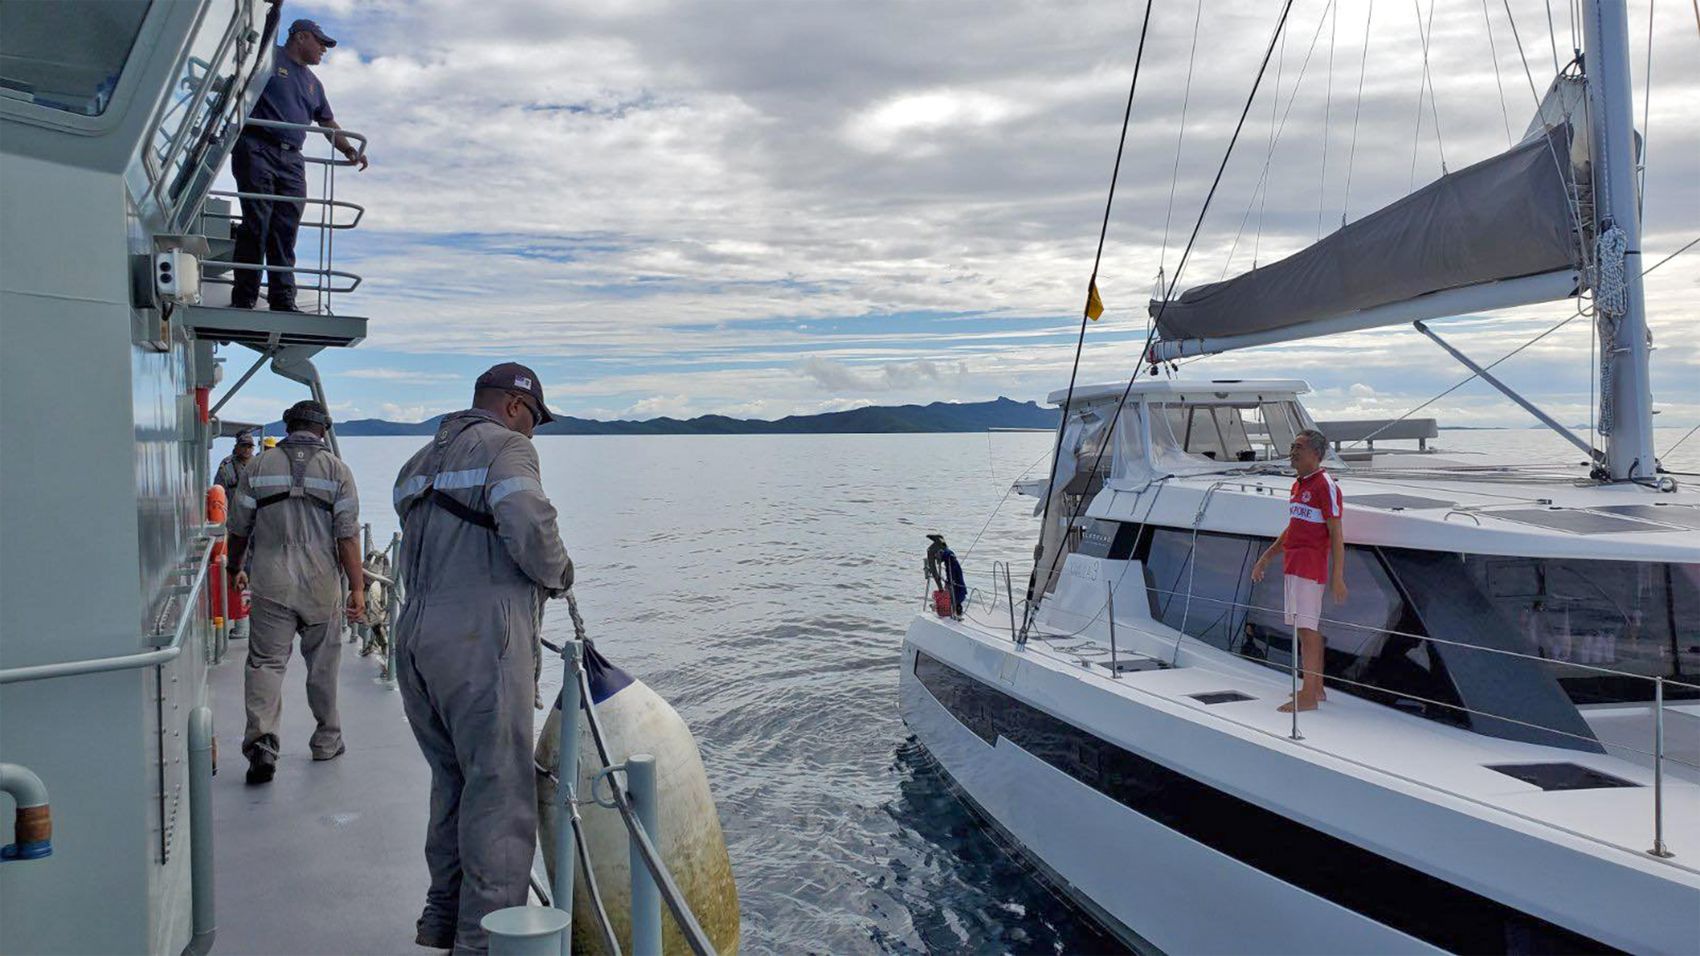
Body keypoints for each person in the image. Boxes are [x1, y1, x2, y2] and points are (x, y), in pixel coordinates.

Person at [392, 363, 573, 953]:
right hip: (477, 644)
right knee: (499, 793)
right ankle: (487, 944)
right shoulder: (508, 449)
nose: (534, 431)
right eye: (535, 418)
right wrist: (562, 574)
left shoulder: (417, 462)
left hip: (415, 640)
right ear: (515, 406)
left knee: (452, 782)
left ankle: (443, 919)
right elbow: (531, 530)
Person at [227, 399, 363, 784]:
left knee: (266, 664)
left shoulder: (257, 467)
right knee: (323, 664)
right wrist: (357, 587)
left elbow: (239, 528)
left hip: (271, 579)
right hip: (321, 581)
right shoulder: (338, 471)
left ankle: (263, 744)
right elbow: (347, 536)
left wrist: (235, 568)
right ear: (324, 429)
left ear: (288, 426)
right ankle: (327, 740)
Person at [229, 17, 368, 312]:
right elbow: (260, 34)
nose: (324, 50)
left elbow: (327, 122)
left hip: (292, 158)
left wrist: (348, 148)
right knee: (257, 222)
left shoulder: (314, 84)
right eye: (321, 43)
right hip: (257, 147)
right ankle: (244, 297)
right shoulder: (268, 57)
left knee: (285, 228)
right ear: (301, 37)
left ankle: (283, 298)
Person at [1251, 428, 1346, 713]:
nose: (1292, 452)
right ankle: (1315, 689)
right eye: (1292, 446)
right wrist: (1266, 557)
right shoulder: (1298, 485)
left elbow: (1336, 532)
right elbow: (1293, 528)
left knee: (1307, 630)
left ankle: (1308, 695)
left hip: (1310, 567)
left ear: (1315, 454)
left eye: (1299, 448)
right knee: (1304, 628)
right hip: (1294, 564)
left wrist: (1337, 576)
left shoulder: (1324, 485)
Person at [215, 430, 257, 499]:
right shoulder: (227, 465)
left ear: (253, 448)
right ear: (237, 447)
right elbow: (219, 489)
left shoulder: (258, 465)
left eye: (249, 446)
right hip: (232, 504)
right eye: (243, 446)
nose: (246, 450)